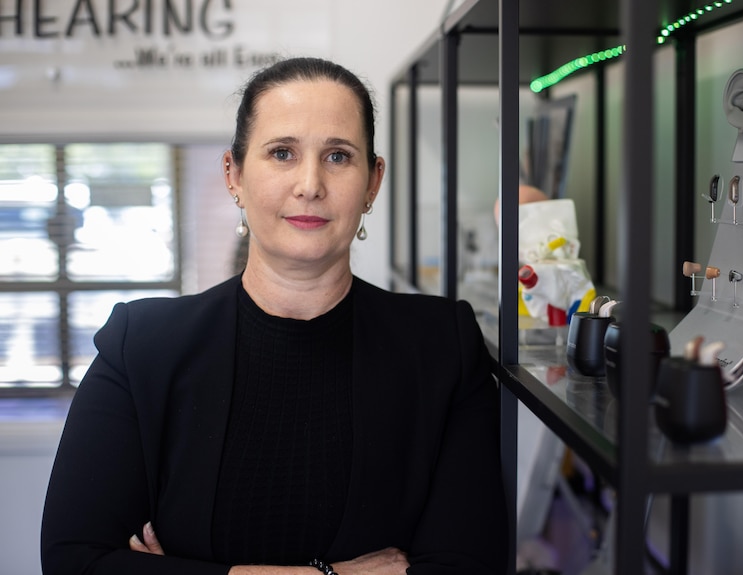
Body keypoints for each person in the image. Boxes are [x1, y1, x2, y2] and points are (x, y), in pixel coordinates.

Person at [41, 57, 508, 575]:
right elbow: (74, 560)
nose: (310, 184)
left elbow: (470, 565)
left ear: (373, 182)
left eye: (338, 156)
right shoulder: (142, 346)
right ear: (235, 175)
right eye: (282, 153)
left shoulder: (443, 346)